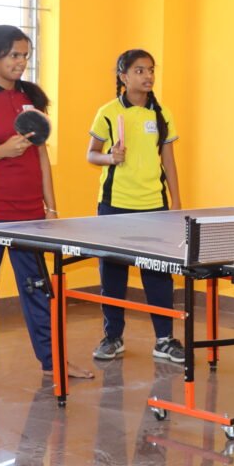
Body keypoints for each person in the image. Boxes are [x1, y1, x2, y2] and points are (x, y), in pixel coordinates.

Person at [0, 25, 93, 390]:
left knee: (38, 288)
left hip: (30, 215)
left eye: (25, 56)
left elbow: (41, 156)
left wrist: (51, 208)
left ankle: (53, 361)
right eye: (14, 55)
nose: (21, 62)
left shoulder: (30, 99)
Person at [87, 49, 184, 364]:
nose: (148, 76)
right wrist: (110, 157)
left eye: (151, 70)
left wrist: (176, 201)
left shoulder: (162, 113)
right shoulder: (108, 112)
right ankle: (113, 337)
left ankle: (164, 340)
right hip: (115, 205)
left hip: (154, 205)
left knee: (158, 275)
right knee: (113, 275)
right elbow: (91, 154)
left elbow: (168, 159)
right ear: (123, 76)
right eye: (140, 70)